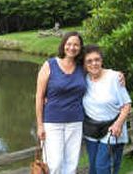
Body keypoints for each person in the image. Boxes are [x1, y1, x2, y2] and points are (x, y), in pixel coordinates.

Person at [35, 31, 87, 174]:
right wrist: (40, 125)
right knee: (54, 164)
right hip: (52, 122)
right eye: (69, 44)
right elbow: (39, 96)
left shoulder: (82, 67)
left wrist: (116, 75)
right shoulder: (49, 65)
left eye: (76, 44)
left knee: (71, 164)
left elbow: (99, 70)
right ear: (63, 45)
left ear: (80, 48)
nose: (72, 47)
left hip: (75, 121)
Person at [82, 44, 132, 174]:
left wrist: (118, 124)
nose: (94, 63)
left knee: (103, 167)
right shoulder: (83, 79)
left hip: (112, 129)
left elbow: (127, 104)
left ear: (102, 60)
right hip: (91, 129)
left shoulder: (114, 77)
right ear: (84, 64)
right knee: (93, 167)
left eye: (97, 59)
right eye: (89, 61)